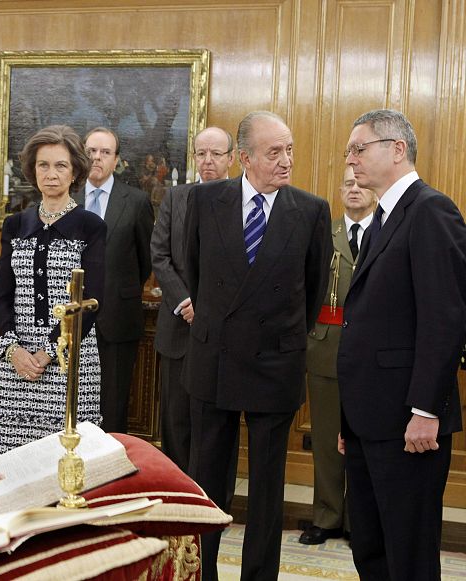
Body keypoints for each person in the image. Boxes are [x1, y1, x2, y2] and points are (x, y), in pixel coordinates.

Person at [183, 111, 331, 581]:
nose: (286, 160)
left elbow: (311, 292)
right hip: (215, 360)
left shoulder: (310, 210)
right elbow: (194, 271)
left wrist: (280, 337)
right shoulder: (204, 201)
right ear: (244, 158)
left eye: (289, 150)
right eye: (274, 152)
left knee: (268, 490)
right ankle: (200, 573)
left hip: (275, 363)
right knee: (206, 482)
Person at [338, 109, 466, 580]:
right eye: (349, 151)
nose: (350, 161)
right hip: (371, 419)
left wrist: (426, 410)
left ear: (397, 149)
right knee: (371, 549)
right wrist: (350, 420)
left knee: (408, 555)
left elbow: (445, 317)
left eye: (359, 148)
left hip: (409, 422)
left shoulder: (431, 210)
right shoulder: (381, 218)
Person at [0, 125, 105, 457]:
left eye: (60, 166)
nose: (51, 174)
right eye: (43, 165)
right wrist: (13, 351)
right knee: (8, 461)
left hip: (68, 361)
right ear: (32, 170)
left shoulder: (90, 227)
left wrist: (49, 352)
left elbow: (91, 302)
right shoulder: (15, 225)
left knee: (63, 459)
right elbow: (2, 297)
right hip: (15, 361)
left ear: (76, 171)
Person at [151, 126, 235, 472]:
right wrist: (185, 301)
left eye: (216, 154)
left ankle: (215, 504)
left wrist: (208, 307)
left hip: (223, 337)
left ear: (233, 157)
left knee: (217, 429)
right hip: (178, 332)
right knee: (176, 423)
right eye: (201, 153)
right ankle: (177, 501)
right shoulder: (177, 198)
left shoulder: (244, 202)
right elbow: (159, 254)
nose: (208, 161)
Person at [299, 165, 375, 545]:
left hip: (371, 352)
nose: (355, 188)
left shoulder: (387, 231)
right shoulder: (323, 232)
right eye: (348, 183)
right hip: (326, 346)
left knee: (366, 439)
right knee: (328, 439)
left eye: (361, 183)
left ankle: (359, 522)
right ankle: (327, 517)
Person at [75, 127, 154, 434]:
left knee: (112, 404)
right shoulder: (67, 197)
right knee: (69, 402)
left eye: (105, 152)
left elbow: (144, 262)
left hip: (117, 320)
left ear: (116, 160)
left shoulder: (136, 201)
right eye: (92, 151)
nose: (97, 157)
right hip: (70, 321)